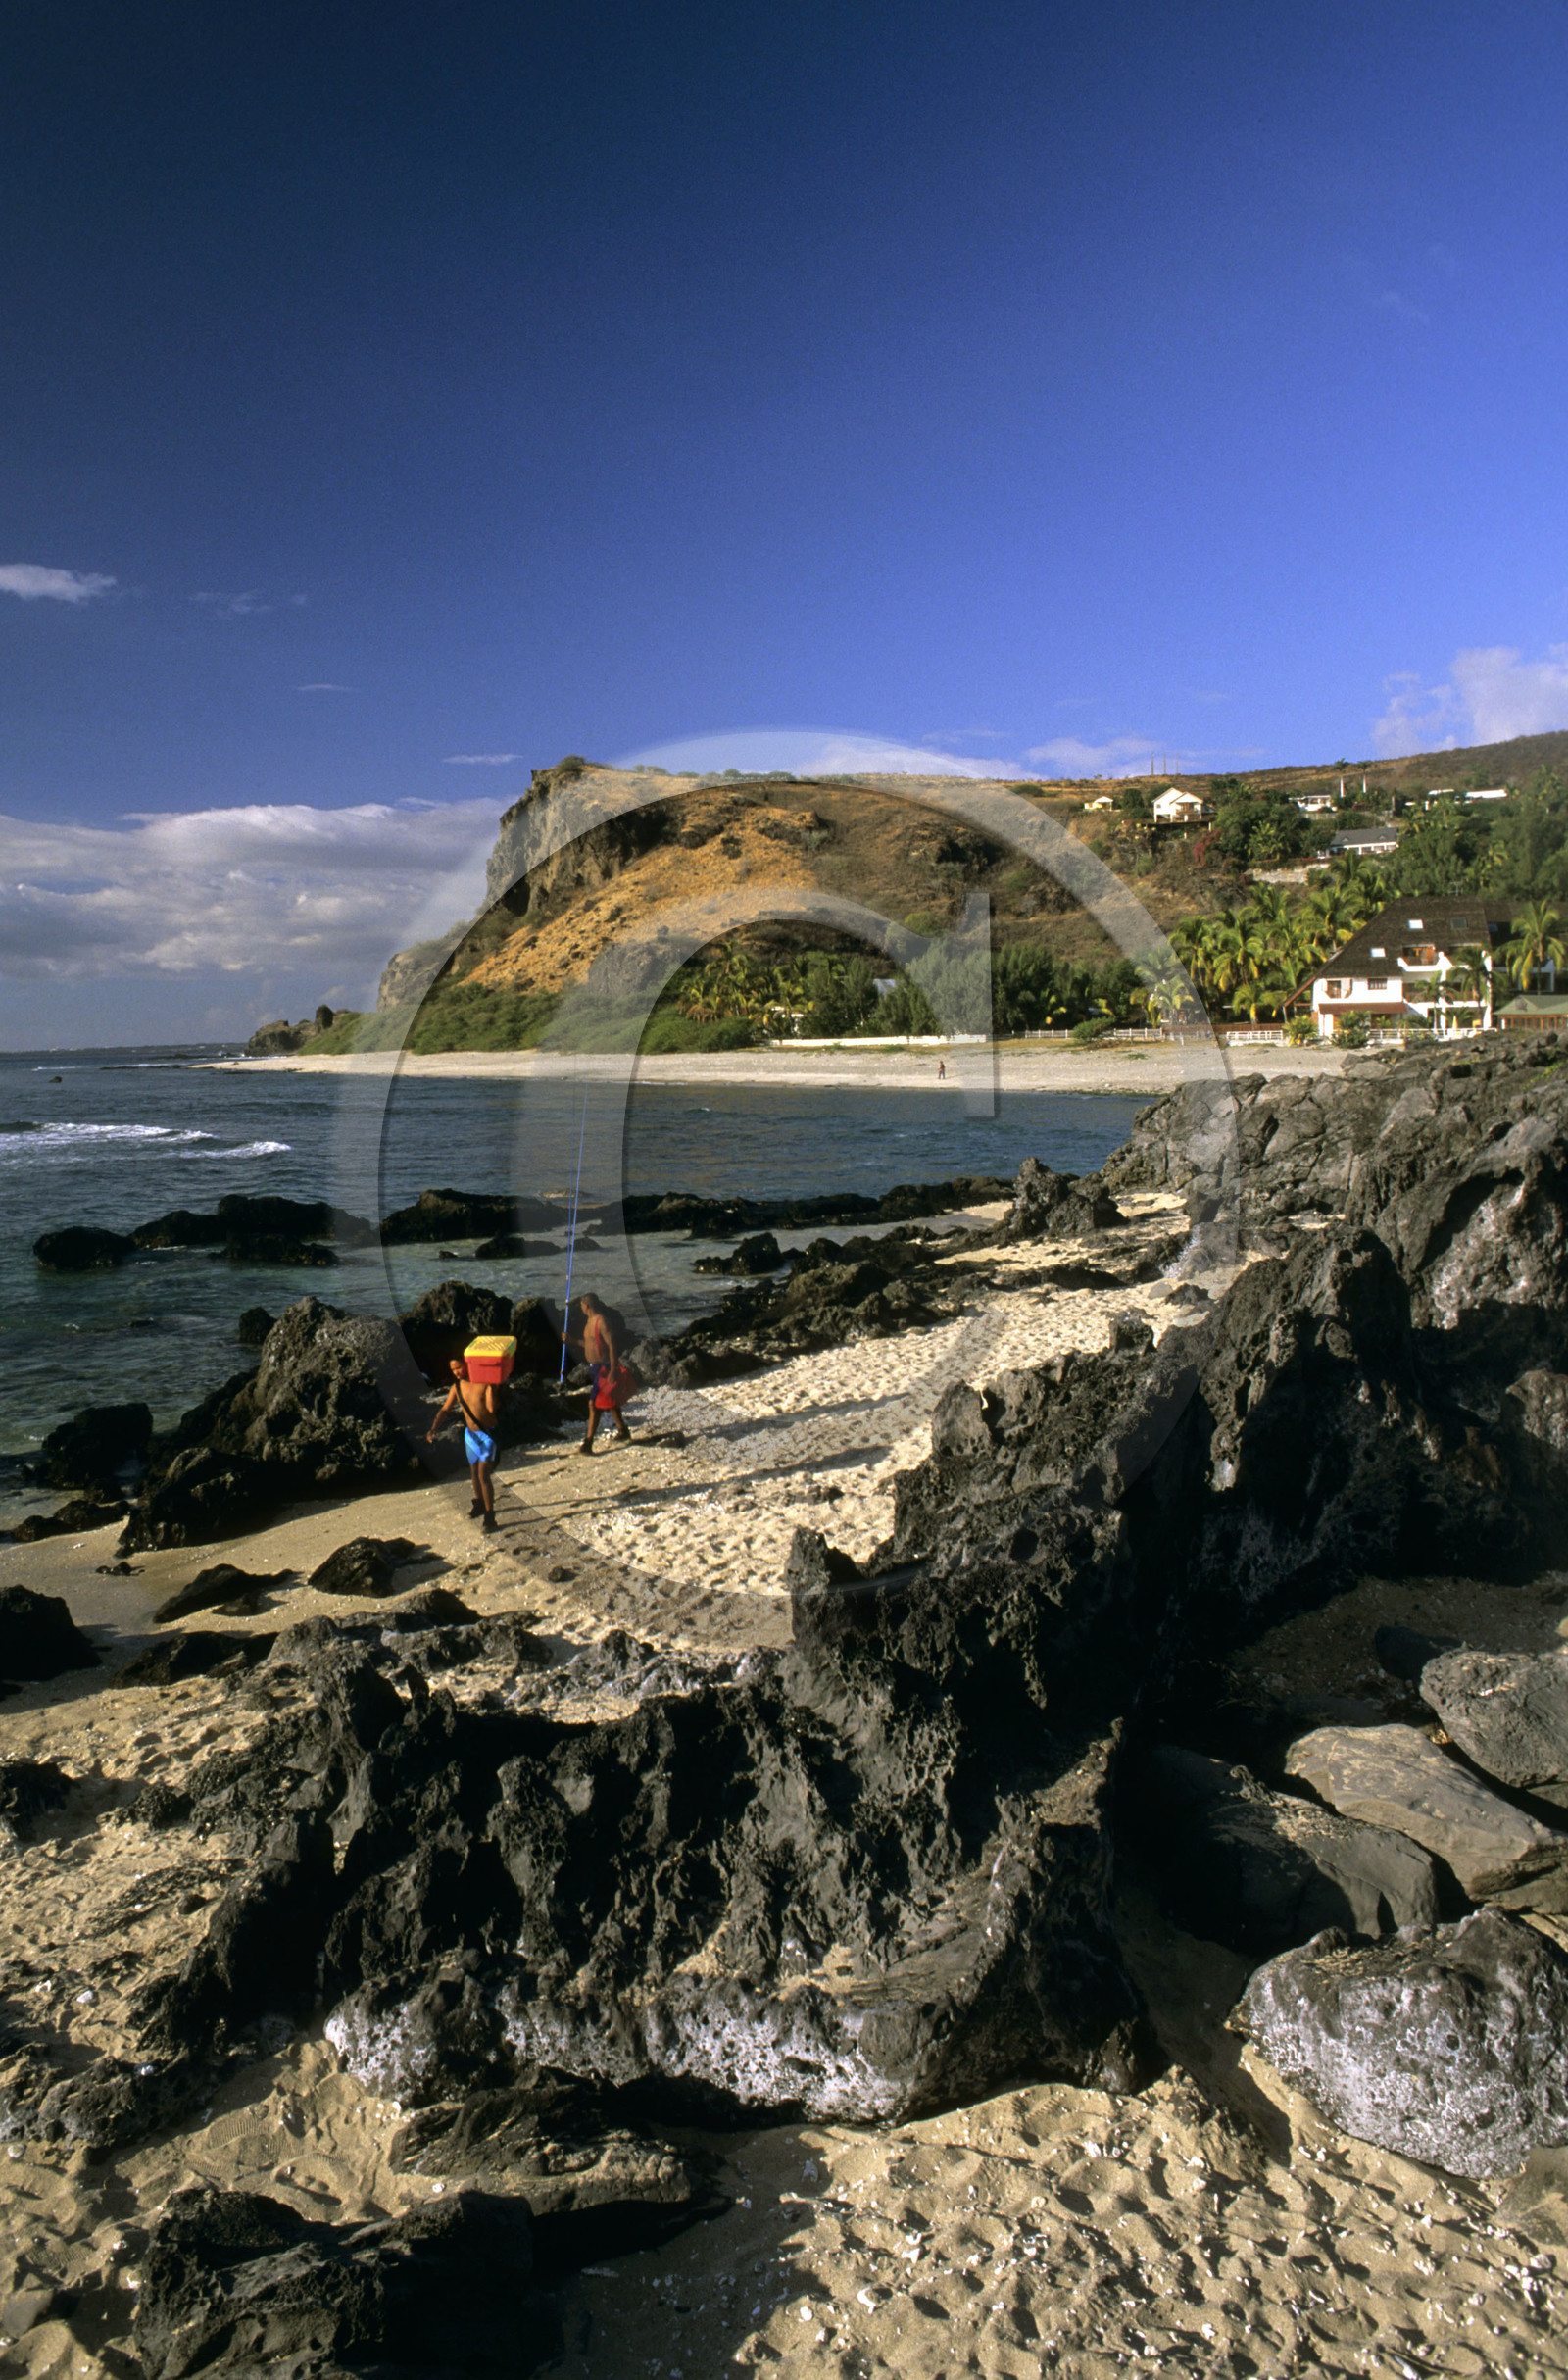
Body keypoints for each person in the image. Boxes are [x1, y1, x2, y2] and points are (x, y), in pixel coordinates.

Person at [427, 1356, 500, 1530]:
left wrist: (491, 1387)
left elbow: (491, 1409)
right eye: (453, 1370)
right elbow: (445, 1410)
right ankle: (479, 1503)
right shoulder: (457, 1387)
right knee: (474, 1472)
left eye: (458, 1368)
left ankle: (490, 1516)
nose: (456, 1372)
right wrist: (433, 1428)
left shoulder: (484, 1383)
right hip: (470, 1435)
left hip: (487, 1434)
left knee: (483, 1475)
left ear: (468, 1365)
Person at [569, 1291, 631, 1454]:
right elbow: (590, 1344)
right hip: (594, 1367)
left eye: (582, 1305)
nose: (581, 1308)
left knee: (593, 1404)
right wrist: (572, 1340)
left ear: (587, 1305)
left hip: (604, 1368)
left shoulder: (602, 1321)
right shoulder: (589, 1321)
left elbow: (612, 1345)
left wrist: (613, 1370)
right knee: (610, 1401)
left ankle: (588, 1442)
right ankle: (623, 1431)